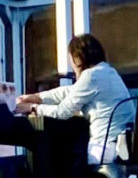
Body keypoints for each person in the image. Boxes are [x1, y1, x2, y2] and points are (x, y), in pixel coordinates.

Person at [18, 33, 129, 165]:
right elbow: (71, 91)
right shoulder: (109, 72)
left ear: (78, 59)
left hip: (103, 148)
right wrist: (37, 97)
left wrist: (32, 107)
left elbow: (62, 112)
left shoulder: (91, 76)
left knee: (55, 160)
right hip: (122, 145)